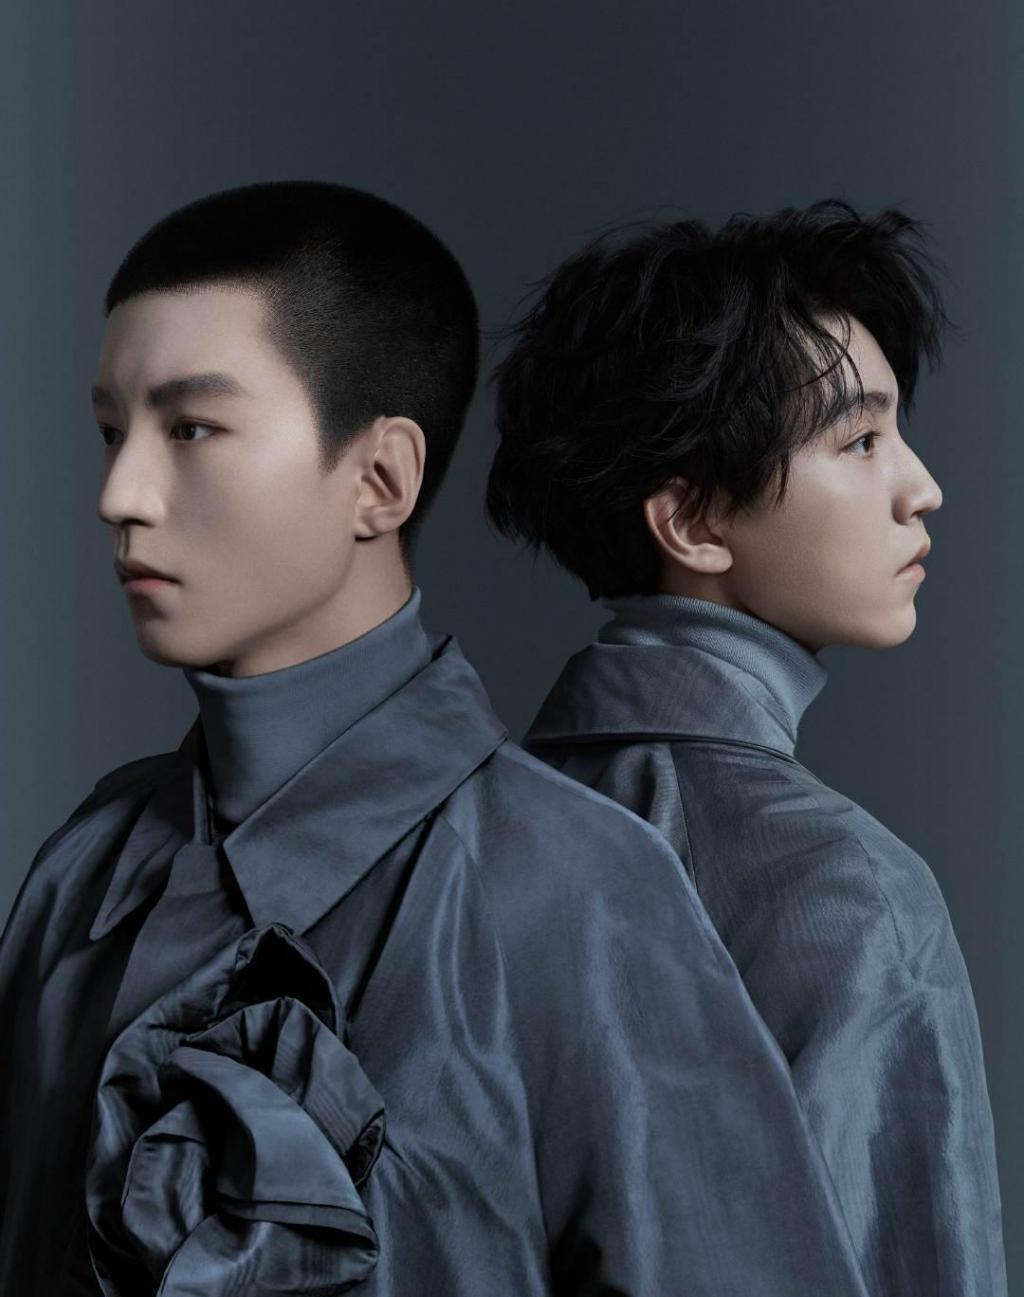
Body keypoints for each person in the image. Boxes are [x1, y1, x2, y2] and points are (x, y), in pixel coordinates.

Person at [0, 182, 872, 1297]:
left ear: (381, 478)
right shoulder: (84, 871)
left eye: (191, 429)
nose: (120, 493)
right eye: (111, 433)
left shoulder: (580, 892)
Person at [487, 199, 1007, 1297]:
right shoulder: (851, 895)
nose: (921, 486)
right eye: (860, 440)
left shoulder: (457, 840)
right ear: (692, 521)